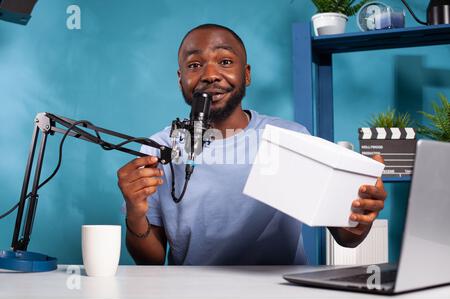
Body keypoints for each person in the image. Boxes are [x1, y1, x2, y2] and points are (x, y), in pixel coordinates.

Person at [117, 24, 387, 265]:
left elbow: (346, 238)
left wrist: (360, 214)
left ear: (246, 75)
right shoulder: (159, 148)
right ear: (180, 80)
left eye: (224, 61)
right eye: (194, 65)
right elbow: (149, 262)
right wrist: (135, 212)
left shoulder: (290, 138)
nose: (210, 74)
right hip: (192, 294)